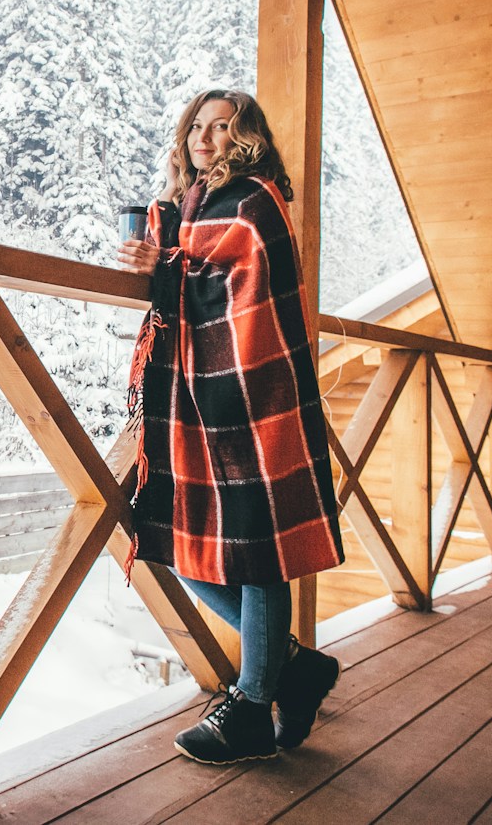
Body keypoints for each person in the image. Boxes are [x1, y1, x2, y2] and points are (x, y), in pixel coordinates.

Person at [116, 88, 346, 765]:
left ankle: (251, 705)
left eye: (223, 127)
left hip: (255, 396)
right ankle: (295, 668)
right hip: (195, 404)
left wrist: (167, 266)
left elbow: (245, 275)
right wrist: (157, 262)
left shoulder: (255, 200)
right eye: (197, 126)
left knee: (257, 550)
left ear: (244, 137)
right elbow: (184, 269)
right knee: (183, 547)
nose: (207, 137)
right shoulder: (183, 212)